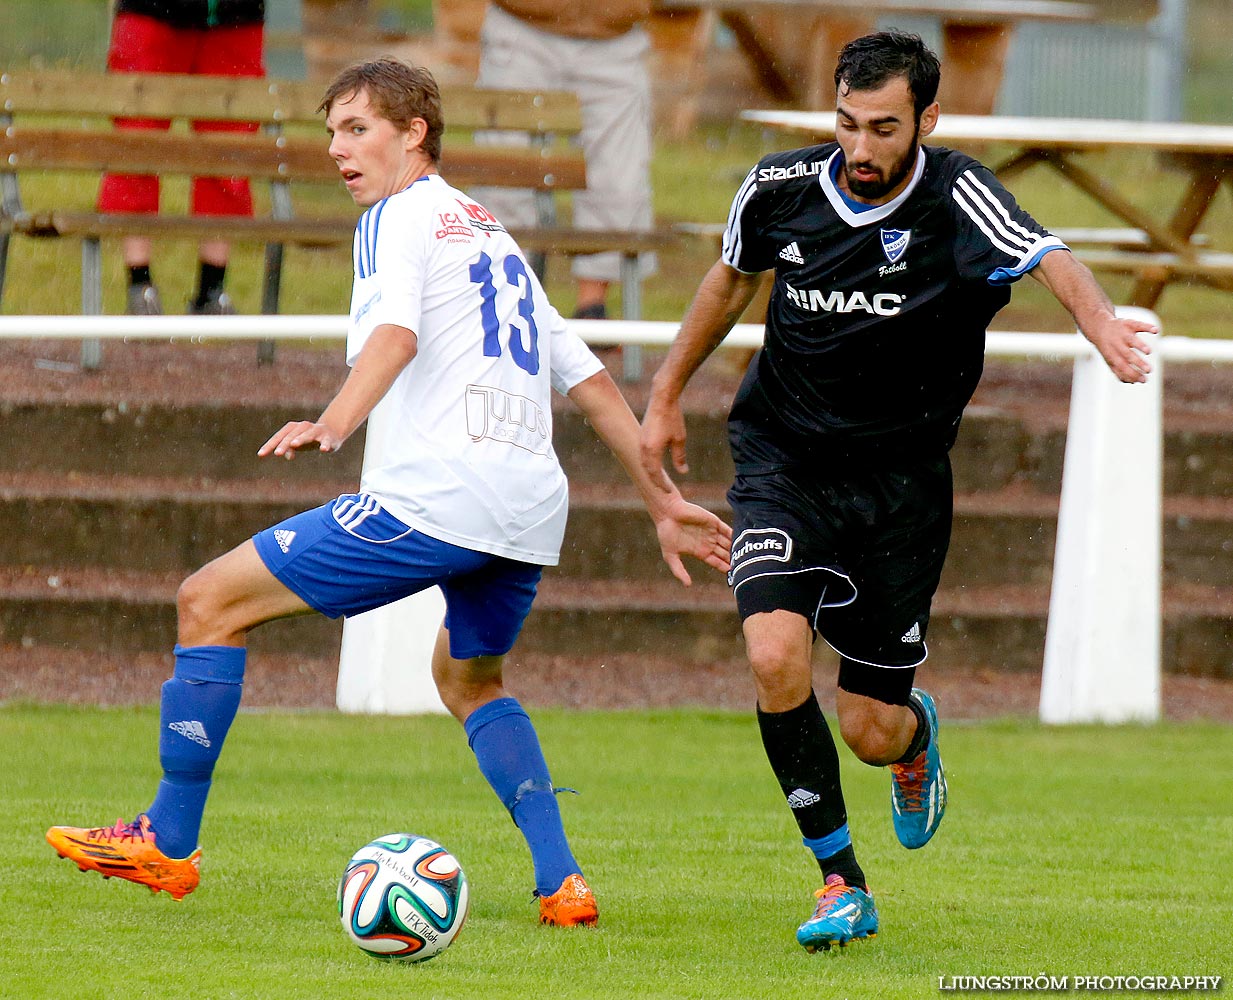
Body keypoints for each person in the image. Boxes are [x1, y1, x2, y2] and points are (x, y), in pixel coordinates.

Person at [47, 57, 732, 927]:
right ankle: (562, 884)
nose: (338, 148)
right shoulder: (490, 234)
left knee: (207, 601)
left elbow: (396, 336)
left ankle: (166, 843)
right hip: (527, 510)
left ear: (415, 135)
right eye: (331, 131)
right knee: (470, 681)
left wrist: (331, 422)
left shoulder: (398, 216)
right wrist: (661, 503)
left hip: (436, 499)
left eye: (357, 128)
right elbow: (592, 384)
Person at [639, 30, 1155, 952]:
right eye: (846, 124)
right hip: (782, 467)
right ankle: (840, 881)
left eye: (884, 127)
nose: (862, 148)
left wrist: (1103, 327)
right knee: (771, 655)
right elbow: (728, 281)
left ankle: (911, 743)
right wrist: (666, 393)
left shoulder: (957, 197)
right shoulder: (780, 188)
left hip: (901, 491)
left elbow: (1048, 256)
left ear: (927, 118)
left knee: (867, 733)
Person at [472, 0, 656, 322]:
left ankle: (592, 309)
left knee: (619, 176)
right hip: (522, 23)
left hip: (616, 31)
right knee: (505, 169)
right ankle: (508, 300)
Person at [99, 0, 266, 316]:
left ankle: (211, 289)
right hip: (150, 10)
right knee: (138, 139)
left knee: (229, 146)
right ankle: (139, 284)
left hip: (236, 16)